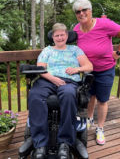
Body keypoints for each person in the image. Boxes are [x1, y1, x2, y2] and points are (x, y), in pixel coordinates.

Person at [72, 0, 120, 145]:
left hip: (105, 70)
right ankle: (90, 119)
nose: (81, 13)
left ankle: (100, 128)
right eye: (78, 11)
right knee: (90, 97)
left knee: (102, 100)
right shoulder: (75, 30)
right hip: (88, 72)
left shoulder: (104, 24)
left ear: (90, 10)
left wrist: (118, 53)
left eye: (84, 10)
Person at [28, 23, 93, 159]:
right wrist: (53, 79)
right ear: (53, 37)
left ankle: (64, 143)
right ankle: (40, 144)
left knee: (69, 95)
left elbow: (89, 66)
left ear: (67, 35)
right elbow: (40, 69)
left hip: (69, 81)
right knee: (35, 94)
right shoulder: (47, 50)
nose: (59, 37)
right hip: (48, 79)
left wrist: (77, 69)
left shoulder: (75, 50)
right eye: (56, 35)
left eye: (62, 35)